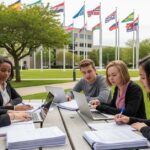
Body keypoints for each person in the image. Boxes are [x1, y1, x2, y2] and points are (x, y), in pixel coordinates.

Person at [114, 56, 150, 141]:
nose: (140, 80)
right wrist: (129, 119)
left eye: (143, 77)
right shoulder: (117, 88)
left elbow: (130, 111)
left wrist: (143, 128)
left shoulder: (134, 88)